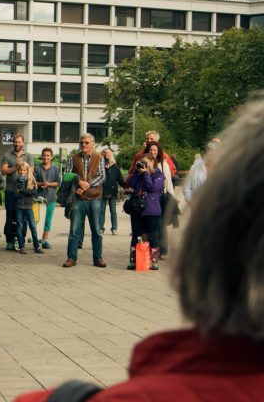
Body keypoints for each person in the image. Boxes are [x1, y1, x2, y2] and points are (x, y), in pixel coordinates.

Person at [14, 99, 264, 402]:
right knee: (91, 233)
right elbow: (127, 179)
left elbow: (120, 179)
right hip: (90, 199)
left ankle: (98, 255)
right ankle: (73, 255)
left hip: (102, 198)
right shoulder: (88, 160)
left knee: (97, 232)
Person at [63, 133, 106, 268]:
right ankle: (71, 258)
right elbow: (67, 175)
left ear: (92, 144)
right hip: (78, 199)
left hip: (95, 198)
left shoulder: (99, 158)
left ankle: (98, 258)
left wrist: (86, 184)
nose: (83, 145)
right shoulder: (73, 158)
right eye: (81, 142)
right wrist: (78, 182)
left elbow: (102, 177)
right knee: (74, 230)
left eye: (87, 143)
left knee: (97, 230)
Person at [126, 153, 164, 270]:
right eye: (142, 163)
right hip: (137, 209)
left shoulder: (158, 175)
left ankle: (154, 261)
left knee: (153, 236)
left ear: (153, 162)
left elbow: (152, 187)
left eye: (146, 163)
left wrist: (146, 174)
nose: (144, 166)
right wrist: (138, 172)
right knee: (136, 235)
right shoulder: (139, 173)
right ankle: (133, 260)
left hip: (151, 209)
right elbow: (131, 183)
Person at [0, 134, 34, 250]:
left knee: (22, 218)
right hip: (11, 190)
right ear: (13, 142)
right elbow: (3, 171)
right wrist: (16, 167)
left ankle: (21, 241)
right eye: (15, 142)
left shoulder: (29, 156)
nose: (17, 144)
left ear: (23, 143)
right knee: (10, 215)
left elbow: (31, 172)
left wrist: (23, 166)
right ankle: (9, 240)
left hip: (24, 191)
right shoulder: (7, 155)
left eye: (19, 142)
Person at [144, 141, 174, 258]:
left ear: (159, 151)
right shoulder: (144, 163)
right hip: (148, 198)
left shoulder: (163, 164)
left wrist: (171, 197)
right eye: (151, 150)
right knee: (150, 226)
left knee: (161, 225)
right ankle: (150, 250)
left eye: (155, 150)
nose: (153, 152)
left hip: (161, 197)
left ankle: (164, 250)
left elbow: (168, 182)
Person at [14, 163, 44, 255]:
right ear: (18, 171)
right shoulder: (16, 181)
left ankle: (36, 247)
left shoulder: (31, 180)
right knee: (20, 226)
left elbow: (33, 192)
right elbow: (16, 194)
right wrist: (26, 192)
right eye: (21, 170)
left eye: (24, 170)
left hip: (28, 206)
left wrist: (22, 191)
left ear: (27, 171)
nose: (22, 172)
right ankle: (21, 247)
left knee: (32, 226)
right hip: (19, 206)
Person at [34, 148, 61, 249]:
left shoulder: (56, 168)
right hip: (38, 199)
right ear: (42, 156)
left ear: (51, 157)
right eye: (44, 155)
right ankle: (36, 239)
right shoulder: (37, 168)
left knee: (47, 220)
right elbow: (33, 181)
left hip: (50, 197)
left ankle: (45, 240)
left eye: (48, 155)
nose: (45, 157)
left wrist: (49, 184)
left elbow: (58, 182)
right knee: (37, 220)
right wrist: (40, 184)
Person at [183, 139, 220, 205]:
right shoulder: (196, 166)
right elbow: (187, 187)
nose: (210, 153)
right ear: (206, 150)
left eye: (213, 150)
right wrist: (191, 203)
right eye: (209, 150)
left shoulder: (222, 166)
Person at [100, 148, 125, 235]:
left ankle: (114, 228)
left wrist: (126, 186)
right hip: (102, 191)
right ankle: (101, 228)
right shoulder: (100, 166)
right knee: (101, 211)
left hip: (112, 191)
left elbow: (120, 179)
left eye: (108, 154)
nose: (107, 156)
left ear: (111, 155)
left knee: (113, 211)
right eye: (105, 154)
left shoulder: (115, 167)